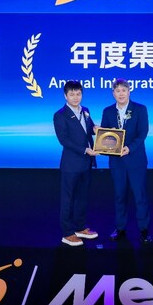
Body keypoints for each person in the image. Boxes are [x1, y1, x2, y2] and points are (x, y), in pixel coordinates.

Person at [100, 78, 152, 244]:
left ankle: (144, 230)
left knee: (139, 196)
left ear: (129, 92)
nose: (121, 94)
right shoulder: (108, 111)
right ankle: (120, 228)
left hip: (136, 160)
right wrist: (105, 139)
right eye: (117, 91)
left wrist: (129, 148)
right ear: (113, 93)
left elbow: (142, 133)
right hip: (117, 162)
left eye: (124, 90)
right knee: (119, 196)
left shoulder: (140, 109)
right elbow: (105, 135)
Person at [53, 80, 99, 246]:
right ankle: (67, 233)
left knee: (82, 197)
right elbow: (64, 140)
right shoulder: (60, 115)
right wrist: (85, 150)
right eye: (71, 94)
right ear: (65, 96)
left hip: (86, 163)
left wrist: (96, 129)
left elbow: (89, 128)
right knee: (68, 199)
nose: (75, 97)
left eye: (78, 94)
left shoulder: (85, 110)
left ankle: (80, 227)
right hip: (71, 164)